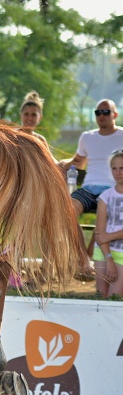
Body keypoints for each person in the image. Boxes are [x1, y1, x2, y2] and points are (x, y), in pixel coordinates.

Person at [59, 99, 123, 275]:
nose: (101, 116)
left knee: (106, 213)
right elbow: (77, 162)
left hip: (112, 190)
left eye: (106, 112)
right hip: (88, 189)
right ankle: (83, 260)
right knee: (68, 210)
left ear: (115, 115)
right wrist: (61, 165)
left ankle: (86, 263)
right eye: (98, 113)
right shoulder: (87, 137)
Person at [92, 149, 123, 298]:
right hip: (103, 252)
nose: (118, 172)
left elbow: (104, 236)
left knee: (115, 298)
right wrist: (108, 258)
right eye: (114, 168)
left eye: (122, 168)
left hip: (122, 253)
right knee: (101, 297)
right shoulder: (105, 197)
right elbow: (99, 233)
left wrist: (109, 236)